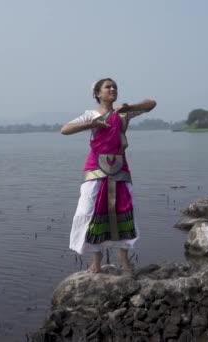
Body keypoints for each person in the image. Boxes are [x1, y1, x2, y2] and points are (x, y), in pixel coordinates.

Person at [61, 78, 156, 273]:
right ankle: (96, 261)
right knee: (91, 212)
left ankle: (125, 262)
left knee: (124, 211)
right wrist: (91, 124)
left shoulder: (123, 114)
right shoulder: (91, 115)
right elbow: (65, 129)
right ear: (98, 94)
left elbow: (151, 104)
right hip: (95, 169)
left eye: (114, 87)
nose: (112, 89)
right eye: (107, 87)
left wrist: (130, 106)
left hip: (120, 169)